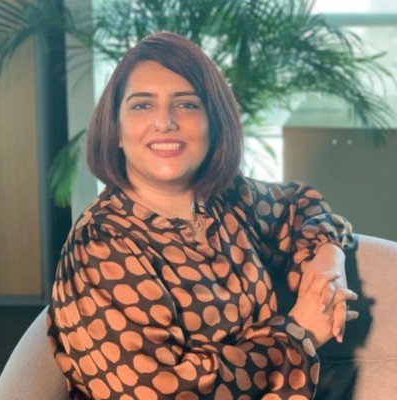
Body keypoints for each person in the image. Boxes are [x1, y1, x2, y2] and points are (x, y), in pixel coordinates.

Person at [45, 32, 358, 400]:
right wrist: (297, 335)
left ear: (213, 123)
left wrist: (328, 258)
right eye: (142, 105)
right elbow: (161, 392)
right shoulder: (100, 246)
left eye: (186, 104)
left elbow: (300, 203)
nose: (165, 122)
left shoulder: (225, 199)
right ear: (115, 129)